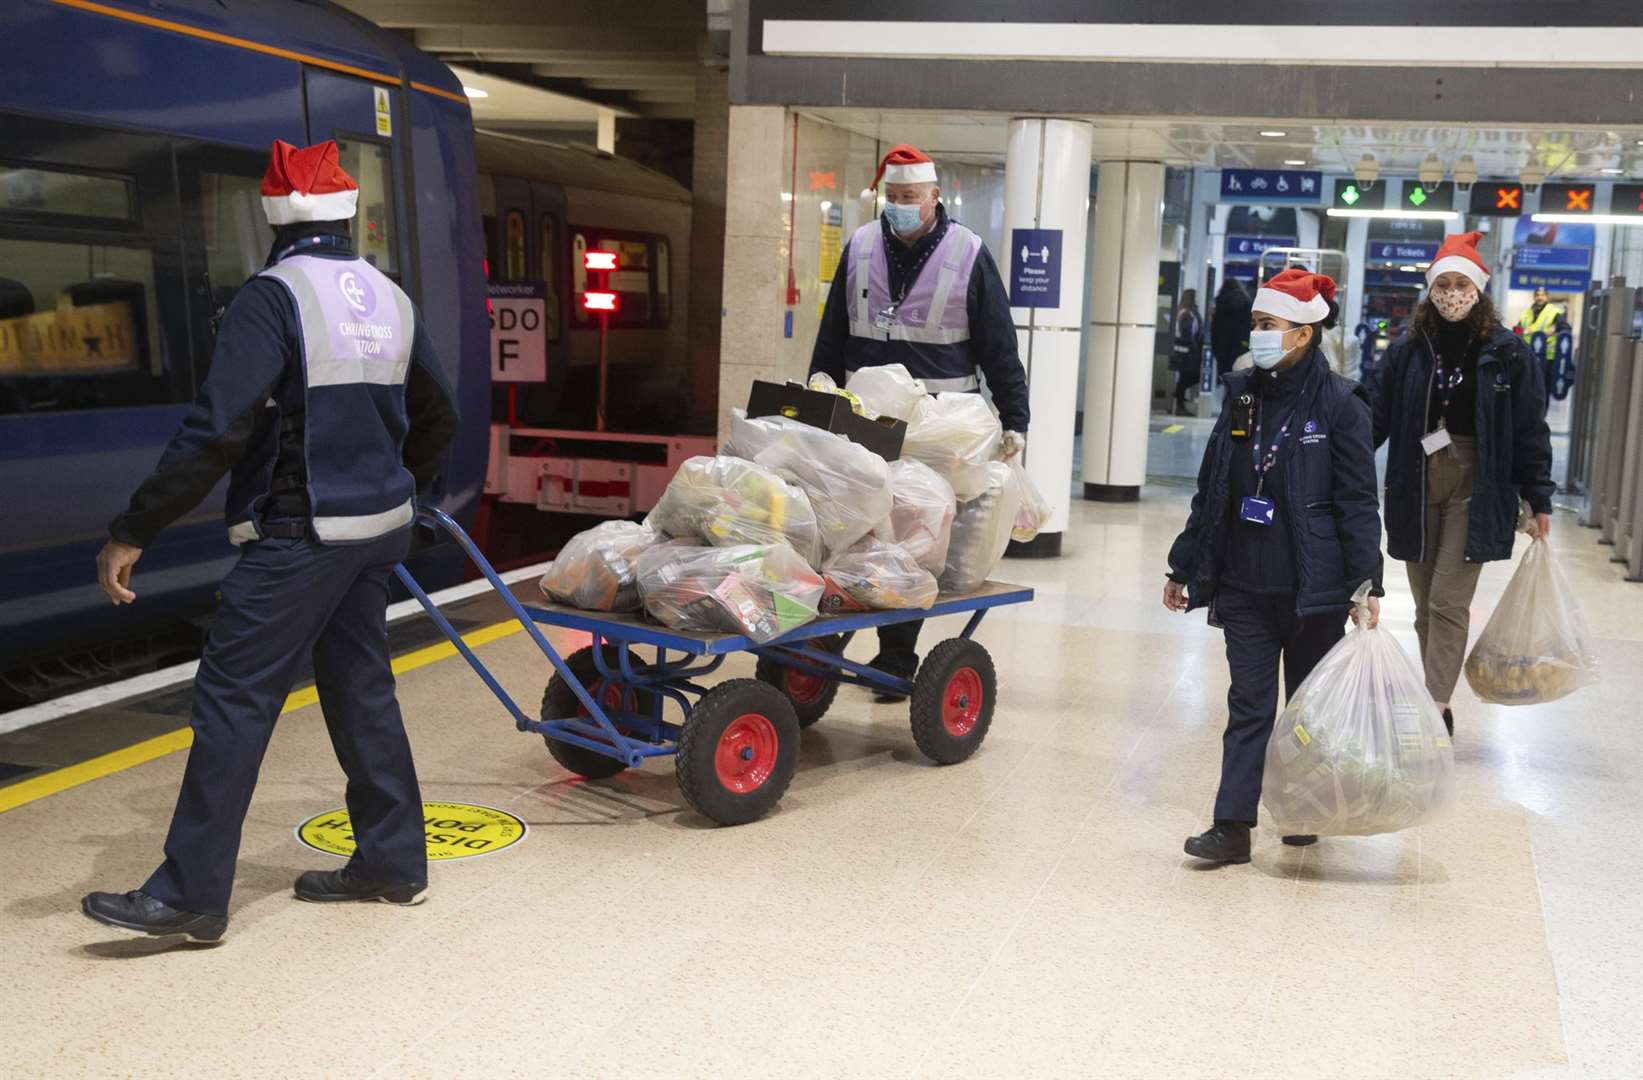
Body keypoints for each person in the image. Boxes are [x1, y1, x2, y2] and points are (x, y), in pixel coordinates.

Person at [81, 140, 460, 943]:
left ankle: (190, 894)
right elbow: (438, 416)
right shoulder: (389, 296)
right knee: (362, 695)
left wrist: (133, 528)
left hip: (299, 536)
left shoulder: (272, 296)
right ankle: (393, 864)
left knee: (232, 699)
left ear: (272, 217)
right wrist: (404, 493)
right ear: (346, 214)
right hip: (373, 533)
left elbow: (215, 430)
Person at [1164, 270, 1384, 865]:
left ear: (1304, 334)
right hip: (1243, 582)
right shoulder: (1241, 394)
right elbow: (1212, 488)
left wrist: (1367, 580)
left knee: (1307, 711)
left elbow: (1359, 499)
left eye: (1269, 325)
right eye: (1257, 324)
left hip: (1314, 588)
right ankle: (1232, 825)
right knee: (1249, 706)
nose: (1257, 334)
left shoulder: (1342, 404)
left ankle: (1305, 809)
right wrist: (1182, 566)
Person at [811, 143, 1029, 693]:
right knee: (851, 525)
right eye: (893, 197)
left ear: (935, 195)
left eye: (911, 197)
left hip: (937, 429)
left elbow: (1000, 345)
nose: (901, 206)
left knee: (914, 532)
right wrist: (819, 387)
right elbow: (834, 328)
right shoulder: (861, 245)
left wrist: (1014, 419)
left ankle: (896, 655)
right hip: (865, 418)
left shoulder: (967, 252)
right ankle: (823, 645)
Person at [1370, 231, 1554, 737]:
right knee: (1426, 604)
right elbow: (1373, 415)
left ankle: (1433, 706)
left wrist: (1539, 496)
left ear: (1479, 289)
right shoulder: (1408, 351)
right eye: (1443, 284)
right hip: (1415, 476)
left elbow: (1529, 429)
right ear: (1430, 290)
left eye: (1461, 284)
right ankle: (1437, 695)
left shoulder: (1508, 353)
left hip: (1479, 480)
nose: (1452, 293)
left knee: (1448, 601)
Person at [1210, 277, 1252, 402]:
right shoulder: (1245, 301)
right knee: (1240, 376)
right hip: (1240, 346)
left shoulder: (1220, 303)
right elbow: (1247, 325)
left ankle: (1227, 402)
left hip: (1222, 346)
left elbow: (1215, 328)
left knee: (1226, 376)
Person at [1513, 285, 1571, 365]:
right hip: (1528, 353)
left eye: (1543, 295)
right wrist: (1522, 331)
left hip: (1546, 356)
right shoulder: (1526, 313)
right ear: (1534, 297)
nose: (1540, 297)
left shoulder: (1554, 312)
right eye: (1537, 295)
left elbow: (1566, 328)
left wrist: (1555, 328)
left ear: (1547, 297)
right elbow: (1517, 330)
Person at [1171, 289, 1204, 414]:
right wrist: (1194, 347)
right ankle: (1179, 397)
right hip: (1187, 352)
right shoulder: (1186, 314)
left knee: (1184, 377)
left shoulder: (1188, 312)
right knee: (1190, 376)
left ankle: (1179, 397)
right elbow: (1188, 333)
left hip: (1187, 351)